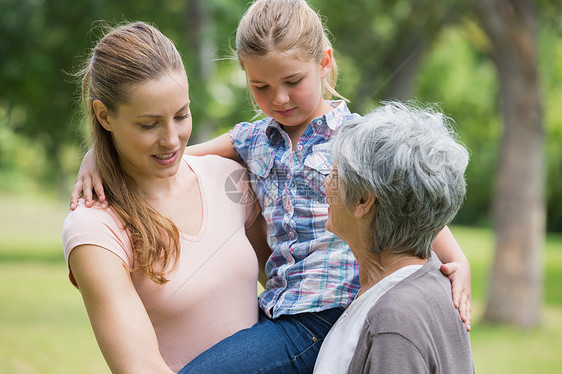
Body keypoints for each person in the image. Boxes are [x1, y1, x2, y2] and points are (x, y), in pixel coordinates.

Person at [71, 1, 471, 372]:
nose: (279, 98)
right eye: (260, 87)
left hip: (326, 311)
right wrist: (98, 156)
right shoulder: (255, 140)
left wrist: (458, 261)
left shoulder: (355, 139)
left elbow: (413, 202)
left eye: (293, 81)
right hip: (281, 310)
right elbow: (181, 154)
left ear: (325, 63)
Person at [62, 21, 269, 373]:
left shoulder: (229, 179)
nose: (171, 139)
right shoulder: (95, 229)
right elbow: (139, 366)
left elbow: (291, 290)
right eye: (149, 124)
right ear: (104, 116)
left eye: (181, 115)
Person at [314, 101, 474, 373]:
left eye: (335, 174)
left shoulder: (392, 320)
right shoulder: (431, 278)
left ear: (363, 200)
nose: (325, 183)